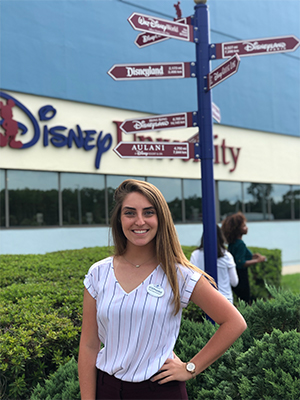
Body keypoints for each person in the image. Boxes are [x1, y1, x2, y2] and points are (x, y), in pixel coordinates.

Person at [78, 179, 247, 400]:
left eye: (149, 212)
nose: (139, 221)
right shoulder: (98, 273)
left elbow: (234, 322)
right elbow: (89, 345)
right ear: (119, 219)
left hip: (159, 391)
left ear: (161, 218)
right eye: (130, 213)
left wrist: (190, 368)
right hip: (107, 390)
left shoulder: (179, 275)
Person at [221, 212, 266, 304]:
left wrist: (252, 256)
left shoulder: (233, 243)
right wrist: (258, 260)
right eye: (244, 226)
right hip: (241, 275)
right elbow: (241, 263)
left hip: (234, 273)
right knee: (245, 300)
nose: (247, 227)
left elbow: (239, 256)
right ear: (237, 229)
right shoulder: (240, 244)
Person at [190, 225, 239, 304]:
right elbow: (234, 282)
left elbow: (190, 279)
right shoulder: (227, 256)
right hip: (226, 300)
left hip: (203, 301)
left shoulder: (195, 255)